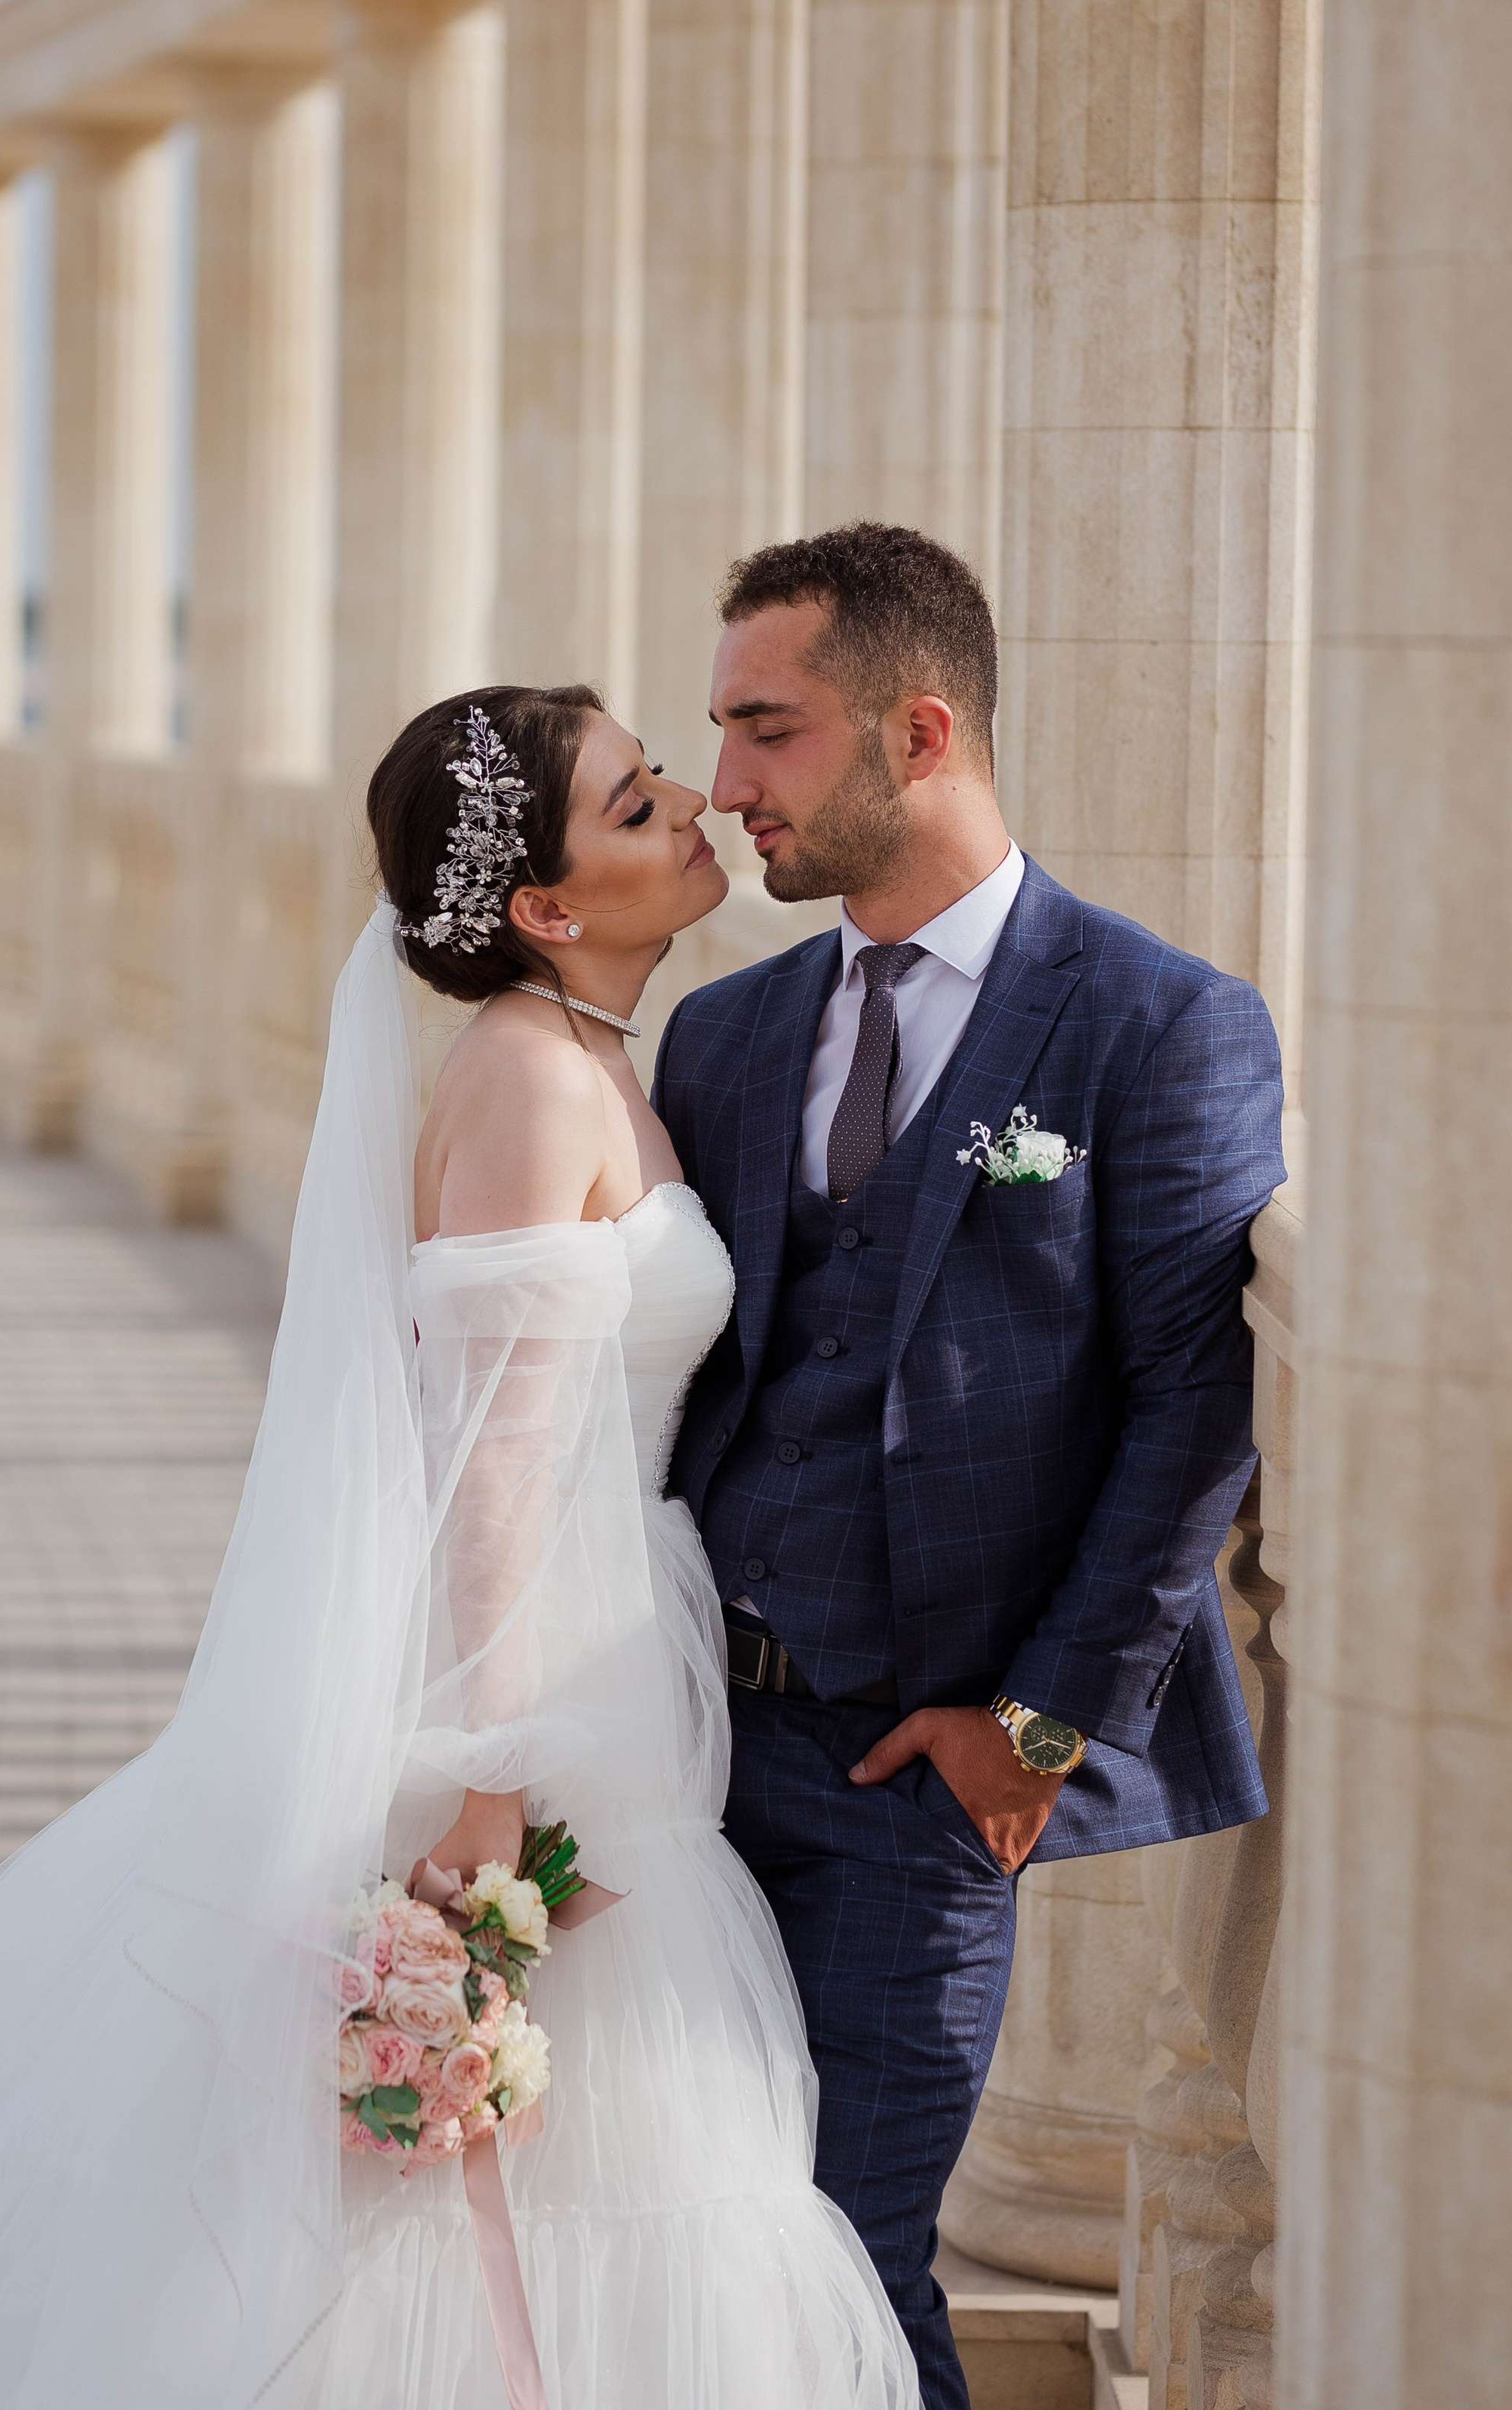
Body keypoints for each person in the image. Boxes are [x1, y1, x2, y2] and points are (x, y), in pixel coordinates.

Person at [0, 683, 915, 2410]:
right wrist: (488, 1777)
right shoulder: (530, 1081)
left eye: (660, 777)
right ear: (541, 904)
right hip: (524, 1668)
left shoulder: (595, 1054)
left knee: (583, 2155)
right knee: (483, 2166)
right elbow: (494, 1464)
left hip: (608, 1631)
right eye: (635, 803)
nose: (689, 808)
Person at [653, 524, 1285, 2410]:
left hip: (915, 1779)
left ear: (917, 732)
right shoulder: (723, 1033)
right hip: (679, 1755)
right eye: (718, 731)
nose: (723, 783)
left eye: (765, 728)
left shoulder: (1157, 1020)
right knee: (682, 2244)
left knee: (849, 2258)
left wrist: (1035, 1725)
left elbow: (1193, 1403)